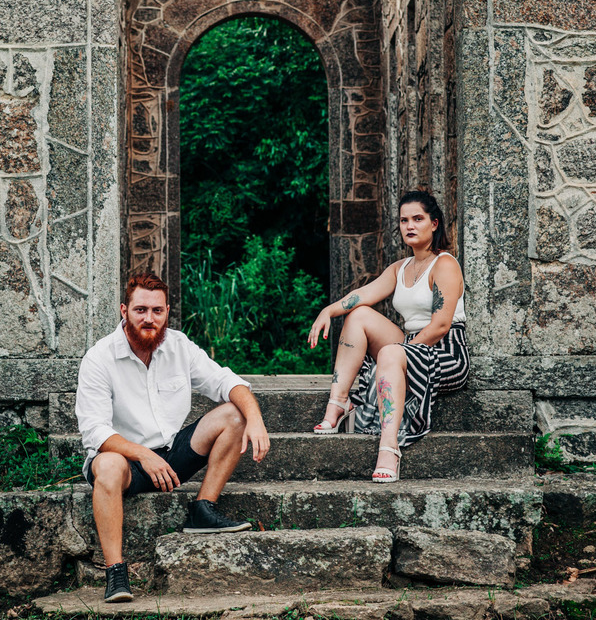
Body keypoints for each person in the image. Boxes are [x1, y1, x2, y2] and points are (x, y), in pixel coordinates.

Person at [76, 272, 271, 603]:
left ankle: (202, 509)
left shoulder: (179, 346)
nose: (149, 319)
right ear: (124, 311)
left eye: (157, 311)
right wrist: (142, 454)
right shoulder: (99, 357)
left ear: (167, 312)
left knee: (234, 413)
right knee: (106, 465)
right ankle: (116, 572)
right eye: (140, 310)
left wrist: (255, 419)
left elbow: (226, 381)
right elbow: (94, 430)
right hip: (127, 463)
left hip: (173, 456)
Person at [307, 190, 468, 483]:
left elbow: (441, 326)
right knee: (359, 315)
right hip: (409, 347)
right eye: (404, 220)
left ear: (434, 223)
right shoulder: (400, 268)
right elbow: (362, 295)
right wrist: (328, 311)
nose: (410, 225)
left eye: (418, 219)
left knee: (391, 354)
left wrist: (398, 356)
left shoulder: (444, 264)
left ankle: (389, 448)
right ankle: (339, 401)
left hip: (446, 351)